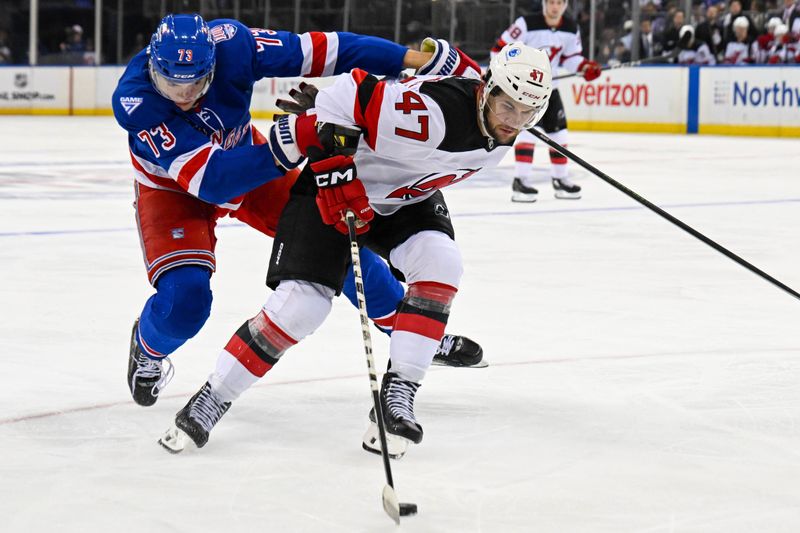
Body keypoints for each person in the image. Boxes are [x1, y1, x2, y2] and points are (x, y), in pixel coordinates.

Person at [158, 42, 554, 455]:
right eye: (507, 107)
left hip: (406, 198)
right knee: (303, 306)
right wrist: (334, 166)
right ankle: (213, 396)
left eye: (528, 113)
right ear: (488, 90)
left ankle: (397, 396)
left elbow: (465, 70)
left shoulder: (496, 108)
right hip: (339, 190)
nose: (514, 121)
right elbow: (350, 92)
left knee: (441, 261)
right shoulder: (431, 116)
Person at [112, 14, 486, 409]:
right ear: (153, 67)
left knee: (335, 242)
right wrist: (298, 136)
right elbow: (212, 180)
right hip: (174, 190)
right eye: (171, 84)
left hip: (248, 163)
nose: (183, 96)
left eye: (195, 84)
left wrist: (411, 59)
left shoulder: (234, 45)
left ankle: (408, 329)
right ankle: (148, 349)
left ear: (213, 65)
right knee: (185, 301)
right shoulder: (136, 100)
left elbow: (326, 50)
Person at [490, 0, 600, 203]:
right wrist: (514, 74)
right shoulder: (525, 24)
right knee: (528, 134)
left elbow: (570, 58)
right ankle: (520, 180)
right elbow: (498, 51)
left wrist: (584, 67)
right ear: (544, 3)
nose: (554, 7)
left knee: (560, 134)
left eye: (559, 2)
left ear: (565, 5)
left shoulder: (570, 28)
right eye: (551, 2)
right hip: (527, 93)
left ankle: (560, 179)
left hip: (551, 90)